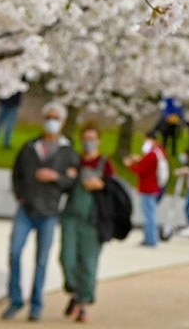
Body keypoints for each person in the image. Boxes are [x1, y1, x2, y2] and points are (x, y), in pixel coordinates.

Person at [6, 102, 79, 321]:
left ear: (63, 122)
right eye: (49, 117)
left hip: (49, 211)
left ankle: (36, 304)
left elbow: (71, 182)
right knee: (15, 252)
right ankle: (15, 299)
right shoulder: (30, 147)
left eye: (56, 118)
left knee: (41, 260)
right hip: (26, 209)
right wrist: (20, 194)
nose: (52, 122)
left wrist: (56, 177)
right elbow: (16, 173)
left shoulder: (68, 152)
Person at [61, 125, 117, 322]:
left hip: (93, 220)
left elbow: (115, 191)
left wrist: (101, 185)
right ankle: (74, 290)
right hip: (71, 216)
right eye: (86, 138)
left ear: (99, 139)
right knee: (67, 258)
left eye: (92, 138)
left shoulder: (105, 164)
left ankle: (83, 302)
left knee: (88, 264)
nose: (89, 141)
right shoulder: (75, 160)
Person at [124, 134, 170, 247]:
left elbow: (141, 170)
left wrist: (129, 165)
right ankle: (151, 238)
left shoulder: (151, 155)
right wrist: (139, 159)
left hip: (147, 188)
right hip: (154, 187)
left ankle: (150, 240)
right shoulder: (159, 152)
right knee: (151, 214)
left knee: (149, 215)